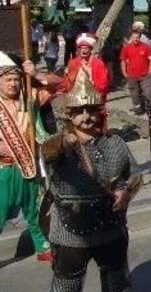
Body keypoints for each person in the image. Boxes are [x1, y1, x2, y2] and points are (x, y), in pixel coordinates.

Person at [40, 69, 141, 291]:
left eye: (91, 110)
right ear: (70, 115)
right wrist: (64, 142)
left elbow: (134, 175)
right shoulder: (59, 146)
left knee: (116, 283)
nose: (86, 116)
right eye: (79, 111)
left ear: (99, 111)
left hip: (110, 226)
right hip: (70, 230)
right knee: (67, 286)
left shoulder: (114, 143)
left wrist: (126, 193)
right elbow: (48, 151)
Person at [0, 53, 52, 262]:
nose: (13, 84)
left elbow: (60, 86)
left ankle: (43, 247)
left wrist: (36, 73)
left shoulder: (29, 98)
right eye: (8, 80)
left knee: (35, 212)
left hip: (28, 166)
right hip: (3, 171)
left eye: (16, 79)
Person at [120, 30, 151, 115]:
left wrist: (149, 71)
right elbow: (123, 61)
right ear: (131, 37)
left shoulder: (146, 47)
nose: (135, 39)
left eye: (137, 37)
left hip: (144, 75)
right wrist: (124, 72)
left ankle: (149, 108)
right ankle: (138, 109)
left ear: (140, 38)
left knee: (147, 92)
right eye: (134, 37)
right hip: (132, 75)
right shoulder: (126, 48)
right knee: (134, 94)